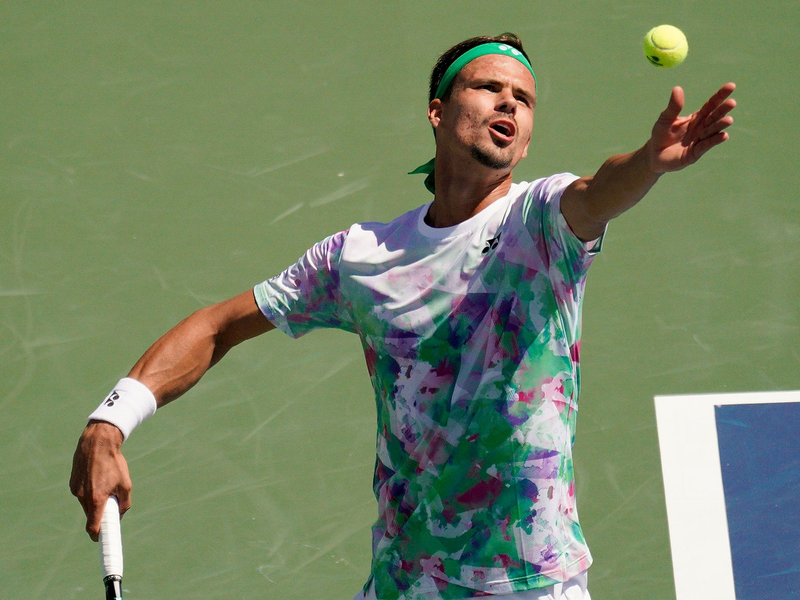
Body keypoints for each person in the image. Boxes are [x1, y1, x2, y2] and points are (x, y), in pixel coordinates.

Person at [70, 33, 736, 600]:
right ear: (438, 112)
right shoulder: (362, 257)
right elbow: (221, 324)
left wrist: (649, 163)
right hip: (404, 583)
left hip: (531, 586)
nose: (509, 102)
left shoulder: (542, 222)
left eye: (524, 99)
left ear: (528, 139)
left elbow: (599, 191)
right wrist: (110, 422)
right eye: (488, 88)